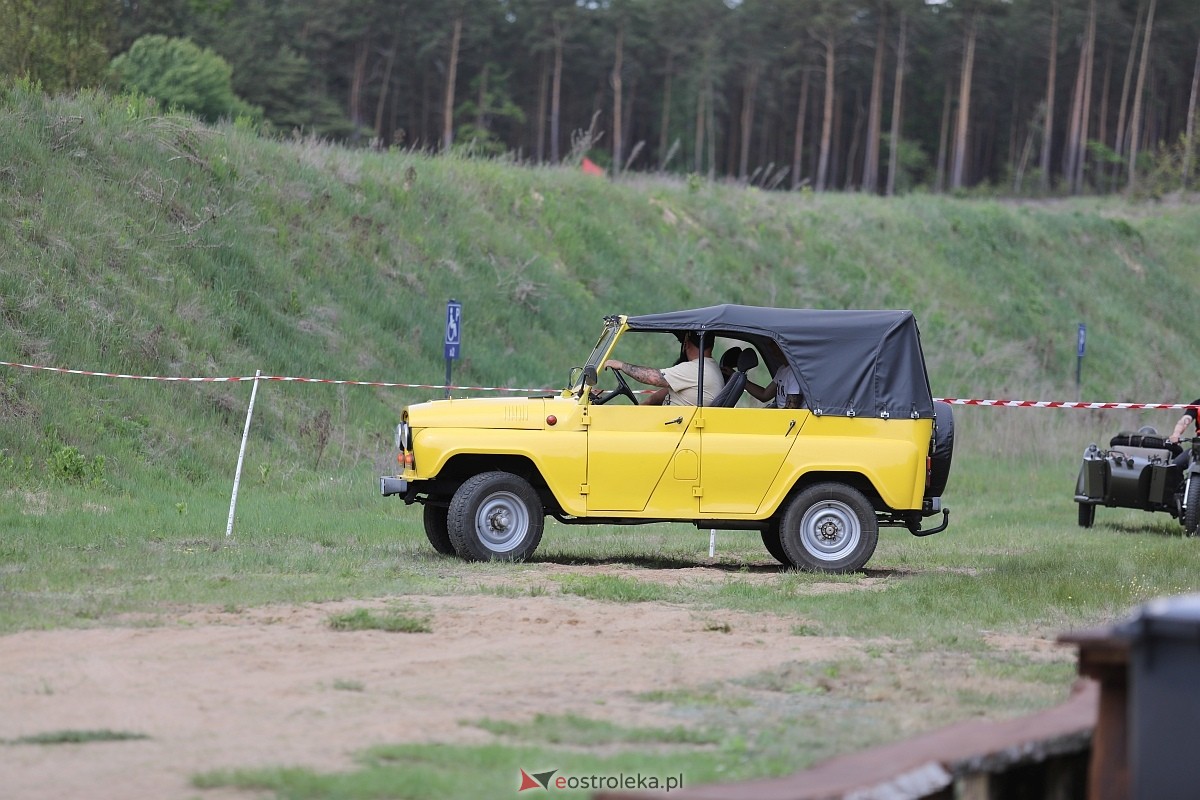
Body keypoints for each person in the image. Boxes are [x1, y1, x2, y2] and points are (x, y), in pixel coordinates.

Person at [603, 332, 725, 406]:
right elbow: (667, 390)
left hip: (677, 430)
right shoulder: (709, 367)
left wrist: (621, 365)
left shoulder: (696, 369)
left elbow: (654, 378)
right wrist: (644, 405)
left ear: (686, 342)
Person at [1166, 398, 1200, 469]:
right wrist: (1176, 434)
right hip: (1198, 447)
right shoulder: (1197, 403)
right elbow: (1185, 419)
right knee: (1175, 465)